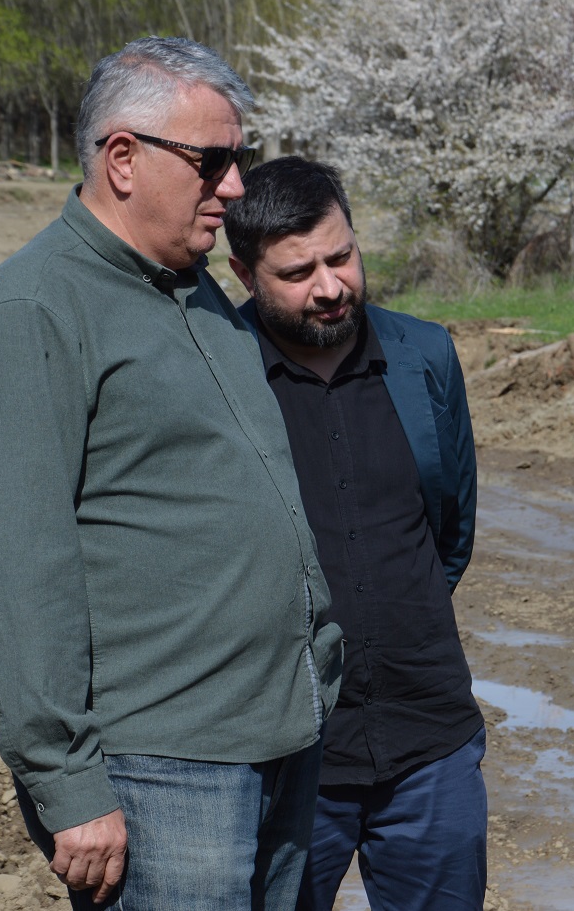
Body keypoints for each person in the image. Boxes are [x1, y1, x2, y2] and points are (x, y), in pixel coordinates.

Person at [0, 37, 343, 909]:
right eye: (212, 161)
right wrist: (66, 781)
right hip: (163, 769)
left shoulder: (196, 290)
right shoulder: (32, 310)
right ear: (122, 159)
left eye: (239, 157)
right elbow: (19, 567)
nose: (235, 186)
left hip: (281, 735)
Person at [223, 157, 485, 911]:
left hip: (432, 738)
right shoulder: (221, 372)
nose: (330, 285)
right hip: (283, 754)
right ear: (244, 274)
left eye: (340, 257)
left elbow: (449, 530)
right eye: (297, 272)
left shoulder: (425, 356)